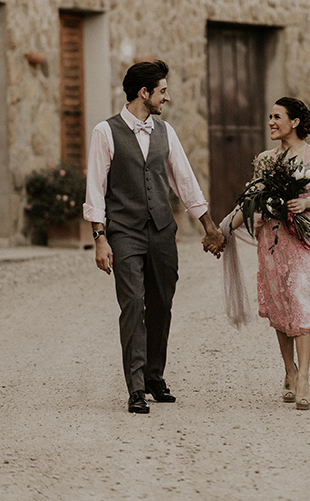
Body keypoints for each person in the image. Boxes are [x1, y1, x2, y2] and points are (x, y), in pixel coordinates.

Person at [83, 60, 224, 414]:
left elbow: (184, 180)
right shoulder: (105, 131)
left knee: (161, 303)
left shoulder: (165, 132)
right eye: (162, 90)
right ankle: (135, 387)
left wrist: (208, 225)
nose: (168, 97)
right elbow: (96, 190)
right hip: (124, 232)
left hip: (162, 231)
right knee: (133, 304)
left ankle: (154, 376)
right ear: (143, 93)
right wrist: (100, 237)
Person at [225, 97, 310, 410]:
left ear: (294, 122)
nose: (271, 123)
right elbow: (249, 202)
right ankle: (289, 370)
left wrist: (307, 203)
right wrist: (222, 230)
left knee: (302, 300)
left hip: (304, 242)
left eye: (277, 117)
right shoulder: (264, 160)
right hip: (273, 242)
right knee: (280, 307)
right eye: (269, 117)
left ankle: (304, 376)